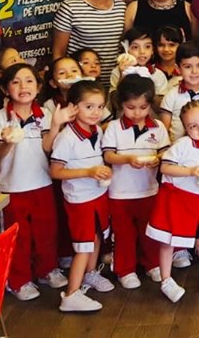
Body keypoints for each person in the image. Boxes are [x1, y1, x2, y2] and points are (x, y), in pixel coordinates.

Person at [0, 63, 68, 301]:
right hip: (12, 187)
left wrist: (54, 127)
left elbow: (47, 147)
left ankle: (46, 270)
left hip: (41, 183)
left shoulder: (45, 114)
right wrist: (8, 141)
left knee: (46, 231)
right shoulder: (1, 118)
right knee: (18, 236)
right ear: (4, 89)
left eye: (29, 80)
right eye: (16, 82)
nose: (23, 86)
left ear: (39, 86)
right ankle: (19, 280)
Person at [146, 99, 199, 302]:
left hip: (198, 202)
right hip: (174, 199)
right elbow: (165, 168)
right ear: (186, 128)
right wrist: (190, 170)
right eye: (193, 126)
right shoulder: (183, 145)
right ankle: (166, 280)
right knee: (168, 241)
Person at [49, 80, 115, 312]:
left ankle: (89, 274)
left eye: (99, 106)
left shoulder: (97, 130)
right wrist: (87, 172)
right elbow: (55, 171)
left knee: (96, 236)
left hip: (98, 195)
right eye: (89, 107)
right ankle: (71, 294)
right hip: (80, 200)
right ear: (74, 107)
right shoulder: (67, 138)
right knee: (83, 247)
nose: (96, 112)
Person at [102, 75, 170, 289]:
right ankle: (126, 269)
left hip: (149, 190)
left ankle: (151, 264)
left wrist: (158, 159)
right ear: (121, 104)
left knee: (149, 230)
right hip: (120, 192)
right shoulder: (113, 127)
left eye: (143, 107)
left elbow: (165, 152)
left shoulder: (157, 127)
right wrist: (128, 160)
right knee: (123, 234)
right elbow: (108, 156)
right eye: (131, 107)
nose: (137, 112)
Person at [53, 0, 127, 87]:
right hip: (81, 86)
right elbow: (59, 53)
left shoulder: (122, 7)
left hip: (114, 84)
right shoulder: (71, 7)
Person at [159, 42, 199, 142]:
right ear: (178, 69)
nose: (194, 71)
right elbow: (163, 132)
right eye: (188, 67)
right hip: (178, 152)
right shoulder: (171, 96)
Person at [109, 28, 168, 98]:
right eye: (135, 47)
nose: (142, 52)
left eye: (147, 47)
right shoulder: (117, 72)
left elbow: (160, 104)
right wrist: (122, 76)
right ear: (126, 50)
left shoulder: (158, 75)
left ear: (153, 50)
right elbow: (114, 103)